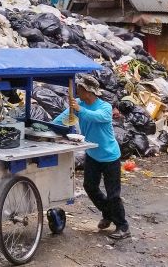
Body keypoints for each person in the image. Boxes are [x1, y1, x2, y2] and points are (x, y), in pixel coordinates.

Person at [54, 75, 130, 240]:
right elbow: (62, 119)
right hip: (92, 155)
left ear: (88, 92)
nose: (77, 92)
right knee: (90, 187)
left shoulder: (104, 107)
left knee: (113, 194)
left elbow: (99, 117)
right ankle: (108, 213)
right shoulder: (79, 105)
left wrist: (80, 110)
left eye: (79, 89)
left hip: (110, 156)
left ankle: (123, 226)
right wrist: (47, 128)